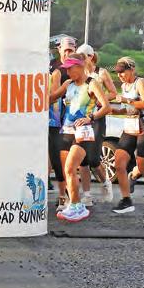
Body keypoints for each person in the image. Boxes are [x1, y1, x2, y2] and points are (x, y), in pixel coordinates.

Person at [51, 54, 111, 222]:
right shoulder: (68, 84)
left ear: (80, 66)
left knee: (70, 168)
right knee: (66, 171)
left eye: (70, 68)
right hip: (66, 131)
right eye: (66, 69)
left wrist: (90, 117)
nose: (67, 72)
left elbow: (106, 107)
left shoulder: (92, 83)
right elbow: (51, 98)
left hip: (83, 132)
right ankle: (74, 204)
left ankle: (78, 206)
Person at [109, 57, 144, 217]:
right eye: (118, 72)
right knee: (119, 163)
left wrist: (127, 100)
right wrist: (115, 111)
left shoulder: (139, 82)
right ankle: (126, 200)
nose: (119, 75)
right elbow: (128, 109)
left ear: (131, 69)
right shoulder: (124, 85)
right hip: (129, 127)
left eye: (122, 72)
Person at [75, 44, 116, 206]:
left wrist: (100, 97)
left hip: (97, 117)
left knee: (93, 158)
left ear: (91, 57)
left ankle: (105, 182)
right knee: (82, 159)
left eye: (83, 57)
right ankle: (86, 195)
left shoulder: (101, 73)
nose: (80, 60)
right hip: (82, 118)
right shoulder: (79, 74)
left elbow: (113, 93)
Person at [48, 37, 76, 211]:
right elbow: (52, 97)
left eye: (71, 50)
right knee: (58, 159)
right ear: (59, 50)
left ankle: (75, 196)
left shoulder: (80, 70)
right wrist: (64, 87)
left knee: (78, 161)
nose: (68, 53)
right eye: (65, 50)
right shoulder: (56, 70)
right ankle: (63, 195)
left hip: (77, 122)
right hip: (57, 122)